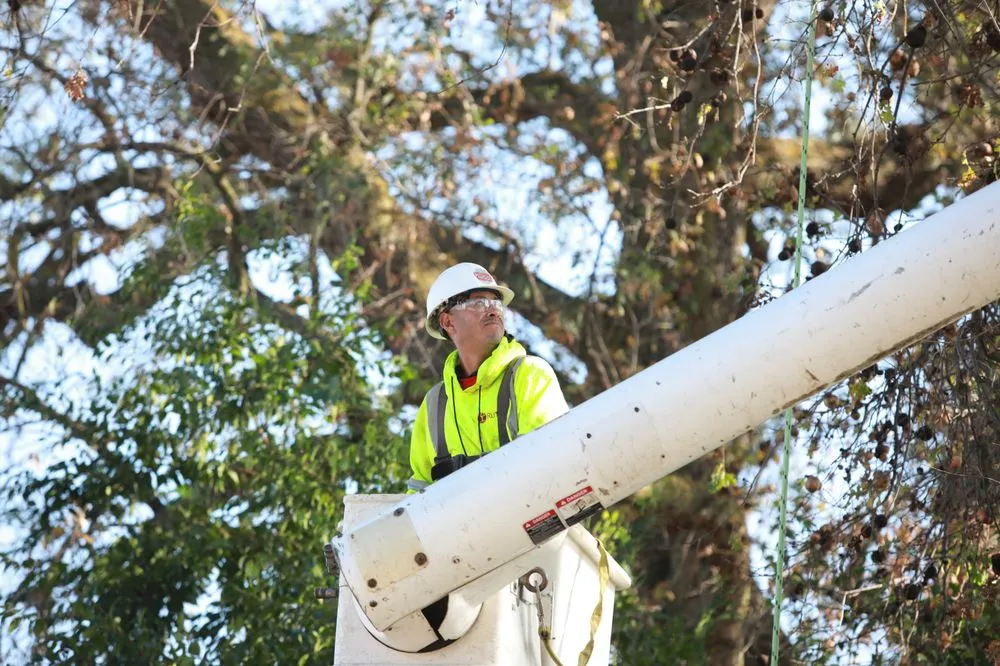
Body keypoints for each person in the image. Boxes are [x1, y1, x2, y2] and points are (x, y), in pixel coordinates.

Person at [407, 262, 570, 492]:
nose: (494, 310)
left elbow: (549, 461)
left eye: (496, 303)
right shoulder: (435, 405)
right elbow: (417, 495)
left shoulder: (529, 375)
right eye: (479, 303)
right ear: (448, 321)